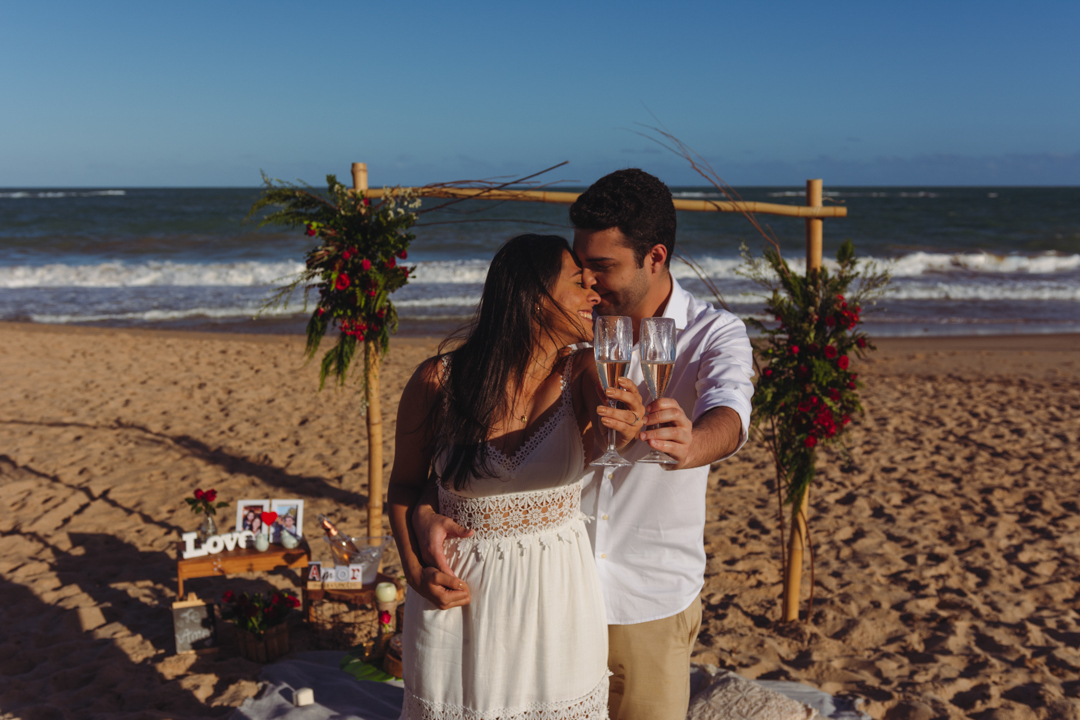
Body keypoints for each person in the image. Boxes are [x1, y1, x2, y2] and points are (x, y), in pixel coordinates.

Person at [417, 170, 755, 720]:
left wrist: (691, 445)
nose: (592, 284)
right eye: (582, 267)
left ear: (655, 257)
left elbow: (731, 412)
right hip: (552, 596)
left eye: (604, 267)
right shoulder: (570, 331)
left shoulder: (713, 334)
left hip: (647, 598)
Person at [388, 234, 645, 720]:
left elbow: (619, 436)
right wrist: (414, 570)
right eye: (579, 283)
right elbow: (403, 486)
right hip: (457, 608)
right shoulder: (435, 383)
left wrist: (631, 430)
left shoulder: (587, 369)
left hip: (556, 598)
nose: (595, 294)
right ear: (532, 296)